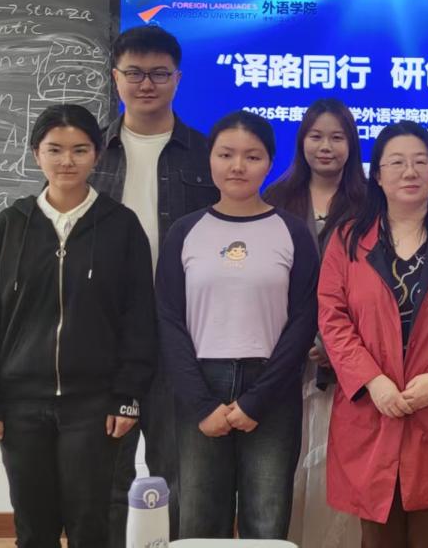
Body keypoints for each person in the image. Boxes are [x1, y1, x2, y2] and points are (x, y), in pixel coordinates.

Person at [0, 104, 157, 548]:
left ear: (97, 155)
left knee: (91, 522)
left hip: (93, 402)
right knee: (34, 524)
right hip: (20, 402)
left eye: (79, 150)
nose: (67, 160)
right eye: (55, 149)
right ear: (36, 154)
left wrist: (127, 395)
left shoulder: (121, 226)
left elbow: (137, 318)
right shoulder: (11, 226)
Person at [318, 121, 428, 548]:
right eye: (396, 162)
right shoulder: (347, 239)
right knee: (377, 538)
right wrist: (373, 381)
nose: (410, 171)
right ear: (377, 175)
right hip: (372, 410)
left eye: (421, 161)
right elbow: (332, 318)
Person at [157, 110, 319, 538]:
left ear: (270, 163)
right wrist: (200, 404)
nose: (238, 166)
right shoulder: (185, 231)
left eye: (252, 156)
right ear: (209, 158)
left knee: (266, 519)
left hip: (272, 388)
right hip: (200, 385)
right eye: (226, 154)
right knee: (198, 521)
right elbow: (169, 320)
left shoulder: (292, 232)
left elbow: (303, 321)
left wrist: (257, 401)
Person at [92, 25, 218, 547]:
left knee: (181, 471)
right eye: (135, 73)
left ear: (178, 79)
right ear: (116, 77)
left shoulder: (207, 153)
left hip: (180, 331)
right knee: (105, 472)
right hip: (105, 333)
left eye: (160, 74)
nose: (147, 84)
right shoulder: (91, 151)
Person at [262, 99, 365, 548]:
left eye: (337, 137)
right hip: (283, 357)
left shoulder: (369, 203)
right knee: (282, 470)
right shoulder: (275, 199)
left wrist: (336, 344)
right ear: (302, 140)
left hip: (348, 361)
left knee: (336, 471)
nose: (326, 146)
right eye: (316, 136)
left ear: (351, 144)